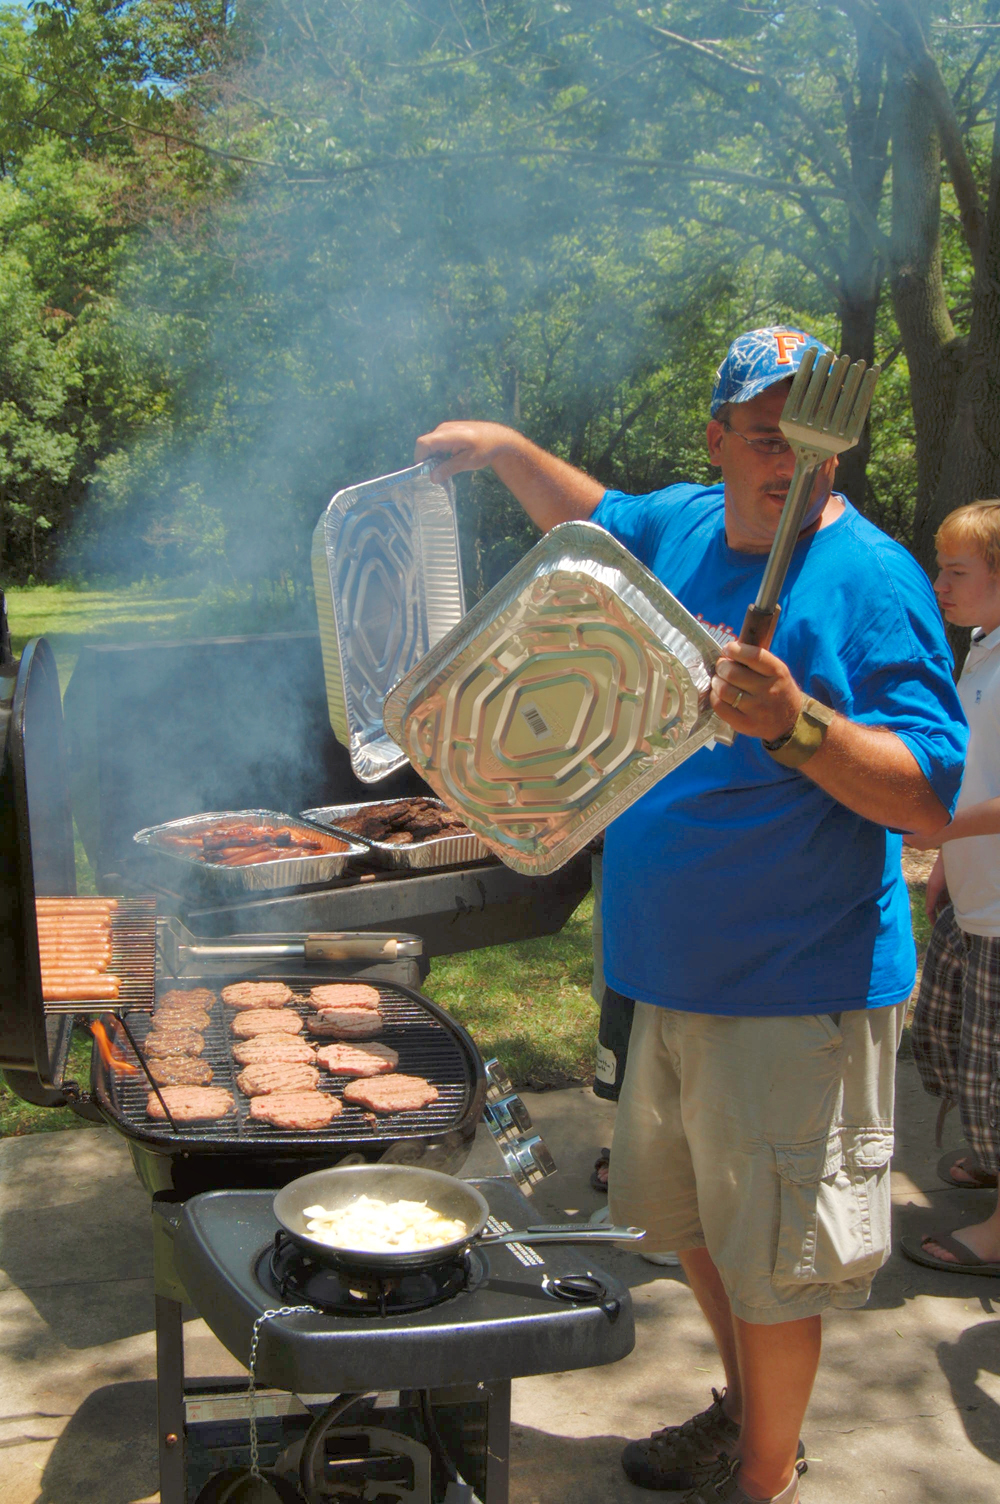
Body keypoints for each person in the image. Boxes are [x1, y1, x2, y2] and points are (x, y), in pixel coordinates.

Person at [415, 326, 966, 1504]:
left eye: (809, 441)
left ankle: (765, 1481)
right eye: (764, 436)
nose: (791, 462)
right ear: (717, 441)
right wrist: (505, 446)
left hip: (789, 987)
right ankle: (749, 1419)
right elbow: (597, 512)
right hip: (662, 971)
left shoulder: (868, 578)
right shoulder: (676, 530)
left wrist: (799, 726)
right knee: (703, 1232)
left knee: (776, 1268)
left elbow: (927, 792)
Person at [902, 500, 1000, 1275]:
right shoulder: (980, 649)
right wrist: (945, 866)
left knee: (994, 1073)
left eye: (956, 571)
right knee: (946, 1040)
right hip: (971, 896)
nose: (940, 583)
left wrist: (941, 832)